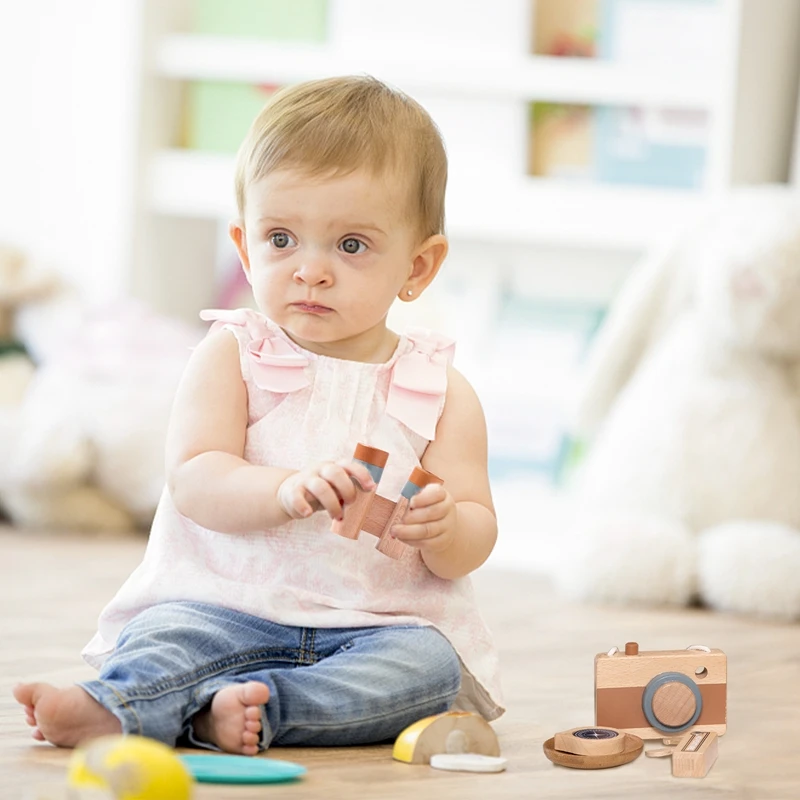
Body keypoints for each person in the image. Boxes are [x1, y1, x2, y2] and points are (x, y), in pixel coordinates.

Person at [14, 75, 504, 755]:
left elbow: (475, 534)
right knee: (167, 639)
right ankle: (116, 705)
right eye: (282, 238)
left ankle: (257, 709)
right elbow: (195, 477)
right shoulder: (232, 356)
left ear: (418, 266)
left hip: (376, 624)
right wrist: (281, 489)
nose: (310, 271)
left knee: (429, 672)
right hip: (223, 606)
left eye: (351, 245)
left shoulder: (442, 391)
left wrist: (444, 527)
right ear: (245, 248)